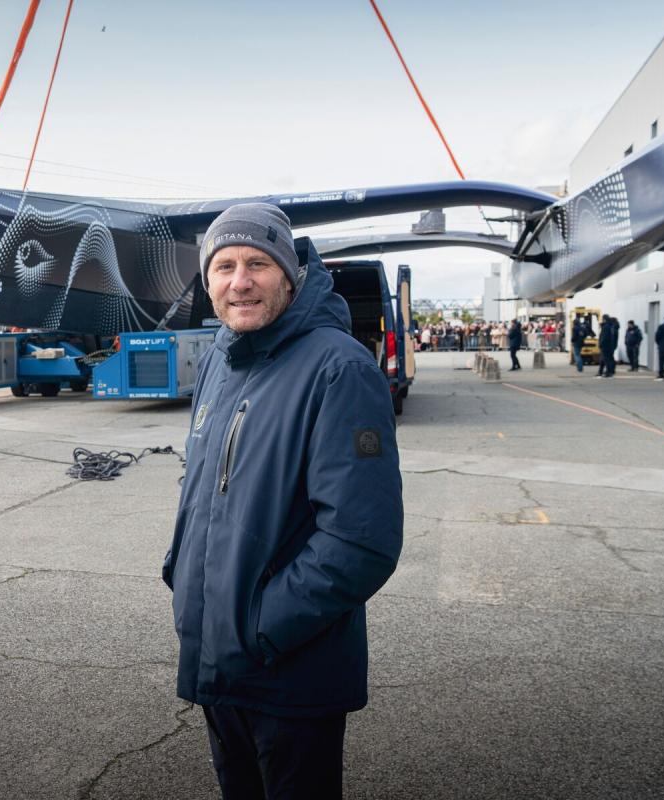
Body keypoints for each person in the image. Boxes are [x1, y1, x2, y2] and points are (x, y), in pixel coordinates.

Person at [164, 203, 403, 799]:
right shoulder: (220, 360)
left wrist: (260, 629)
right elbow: (204, 492)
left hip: (289, 669)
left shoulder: (340, 369)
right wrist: (184, 582)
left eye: (258, 264)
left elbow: (362, 539)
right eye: (224, 267)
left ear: (290, 276)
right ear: (208, 281)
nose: (239, 281)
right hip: (218, 653)